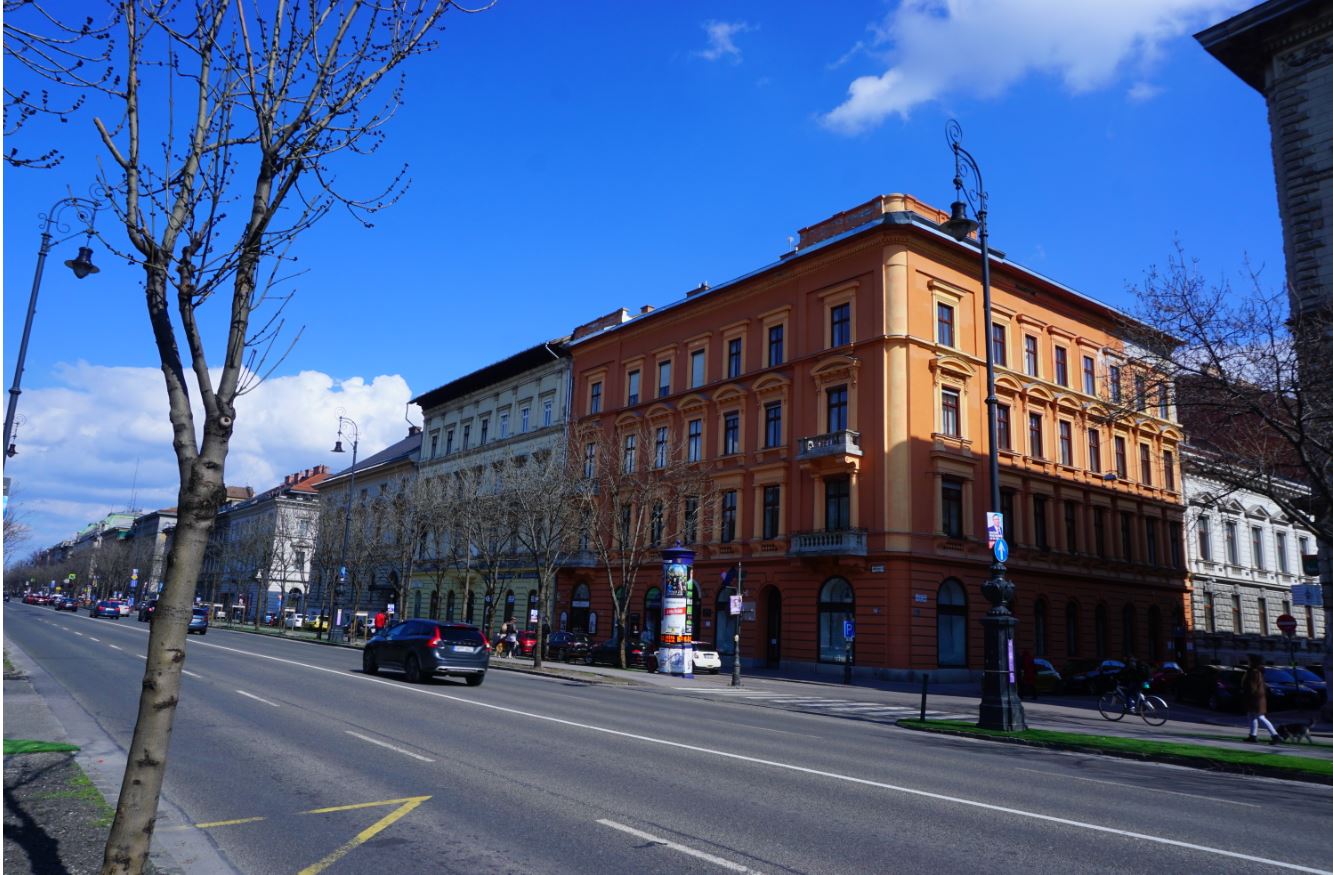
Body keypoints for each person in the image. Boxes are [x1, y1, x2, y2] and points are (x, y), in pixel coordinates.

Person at [1242, 655, 1280, 744]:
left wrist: (1247, 696)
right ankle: (1253, 736)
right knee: (1252, 716)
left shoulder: (1254, 672)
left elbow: (1252, 687)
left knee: (1260, 717)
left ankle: (1275, 736)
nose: (1248, 662)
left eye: (1249, 661)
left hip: (1255, 699)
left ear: (1253, 662)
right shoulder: (1257, 671)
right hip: (1258, 698)